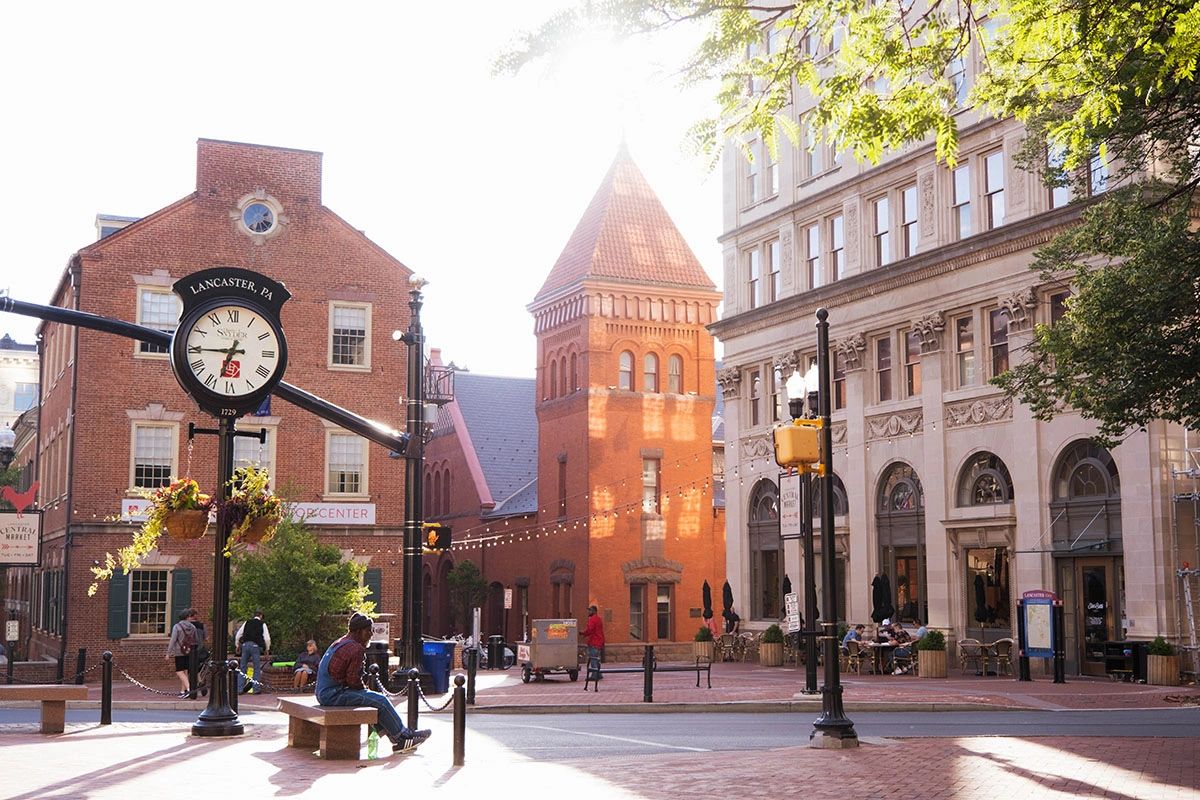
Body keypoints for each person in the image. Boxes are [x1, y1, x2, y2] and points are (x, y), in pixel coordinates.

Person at [315, 613, 430, 753]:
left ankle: (398, 735)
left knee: (374, 700)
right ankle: (401, 738)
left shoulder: (340, 642)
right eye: (368, 630)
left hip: (324, 693)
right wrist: (365, 690)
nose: (371, 634)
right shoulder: (355, 648)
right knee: (381, 701)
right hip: (333, 695)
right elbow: (353, 680)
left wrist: (365, 692)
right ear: (359, 631)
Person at [235, 610, 271, 694]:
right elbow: (267, 638)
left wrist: (237, 645)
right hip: (255, 646)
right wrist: (267, 649)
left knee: (243, 667)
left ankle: (239, 689)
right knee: (256, 668)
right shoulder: (262, 624)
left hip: (245, 645)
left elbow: (238, 634)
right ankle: (256, 689)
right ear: (261, 616)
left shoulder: (247, 622)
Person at [166, 608, 199, 693]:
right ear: (187, 617)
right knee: (185, 671)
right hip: (189, 652)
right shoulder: (193, 627)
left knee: (179, 671)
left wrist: (168, 653)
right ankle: (183, 691)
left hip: (179, 651)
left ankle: (189, 688)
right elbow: (196, 640)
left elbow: (173, 640)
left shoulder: (177, 627)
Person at [583, 604, 605, 681]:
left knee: (593, 659)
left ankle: (594, 675)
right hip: (599, 642)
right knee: (597, 659)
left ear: (594, 611)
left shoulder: (592, 619)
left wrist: (583, 633)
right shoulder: (599, 619)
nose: (588, 612)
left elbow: (590, 630)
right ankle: (599, 674)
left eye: (590, 610)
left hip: (594, 642)